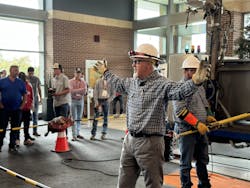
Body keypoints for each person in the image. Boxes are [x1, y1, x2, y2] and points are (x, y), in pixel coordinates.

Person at [93, 43, 210, 188]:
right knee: (123, 184)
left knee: (153, 185)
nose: (133, 65)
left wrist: (194, 83)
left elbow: (179, 91)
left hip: (151, 144)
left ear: (151, 63)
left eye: (137, 61)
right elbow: (118, 83)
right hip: (129, 141)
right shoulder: (132, 83)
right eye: (133, 61)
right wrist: (106, 72)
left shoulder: (162, 84)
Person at [173, 55, 215, 188]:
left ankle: (204, 184)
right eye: (195, 71)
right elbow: (180, 111)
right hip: (187, 131)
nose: (199, 74)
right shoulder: (179, 87)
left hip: (200, 130)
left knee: (202, 160)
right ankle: (186, 185)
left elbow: (205, 103)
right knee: (185, 163)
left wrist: (208, 115)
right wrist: (197, 123)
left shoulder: (200, 86)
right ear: (186, 71)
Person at [0, 65, 26, 153]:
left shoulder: (20, 82)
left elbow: (25, 94)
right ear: (10, 71)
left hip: (16, 109)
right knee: (2, 128)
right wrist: (0, 104)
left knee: (15, 129)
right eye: (15, 70)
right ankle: (0, 145)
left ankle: (12, 145)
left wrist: (22, 105)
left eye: (17, 70)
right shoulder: (2, 81)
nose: (17, 72)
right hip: (4, 109)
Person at [90, 74, 115, 140]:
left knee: (105, 118)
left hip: (106, 101)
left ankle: (104, 134)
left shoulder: (111, 83)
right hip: (99, 101)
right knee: (96, 118)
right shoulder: (98, 81)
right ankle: (93, 134)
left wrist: (108, 101)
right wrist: (97, 103)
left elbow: (113, 94)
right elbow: (95, 93)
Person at [49, 63, 70, 134]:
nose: (54, 70)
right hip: (56, 103)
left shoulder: (65, 78)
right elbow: (54, 89)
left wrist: (58, 94)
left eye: (56, 69)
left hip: (63, 102)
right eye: (54, 69)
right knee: (57, 121)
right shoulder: (53, 79)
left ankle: (64, 136)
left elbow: (68, 90)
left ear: (60, 70)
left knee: (63, 121)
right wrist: (51, 91)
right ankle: (59, 136)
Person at [69, 67, 87, 141]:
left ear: (80, 74)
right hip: (73, 101)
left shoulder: (83, 81)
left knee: (79, 118)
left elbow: (84, 92)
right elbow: (71, 91)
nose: (78, 74)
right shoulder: (70, 81)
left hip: (81, 101)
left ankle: (78, 133)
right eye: (77, 73)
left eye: (79, 73)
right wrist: (80, 91)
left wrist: (76, 91)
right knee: (74, 118)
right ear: (74, 73)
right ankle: (74, 135)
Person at [18, 72, 35, 146]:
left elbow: (31, 96)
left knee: (26, 125)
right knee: (17, 125)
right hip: (18, 109)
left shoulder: (29, 85)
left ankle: (26, 138)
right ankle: (16, 139)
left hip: (27, 109)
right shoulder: (16, 85)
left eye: (23, 78)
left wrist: (32, 105)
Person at [27, 67, 42, 137]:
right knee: (26, 115)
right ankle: (26, 133)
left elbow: (39, 88)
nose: (31, 75)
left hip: (35, 98)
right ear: (28, 72)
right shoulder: (25, 78)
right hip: (28, 98)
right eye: (30, 73)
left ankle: (35, 131)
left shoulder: (36, 79)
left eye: (32, 73)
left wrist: (40, 98)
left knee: (35, 114)